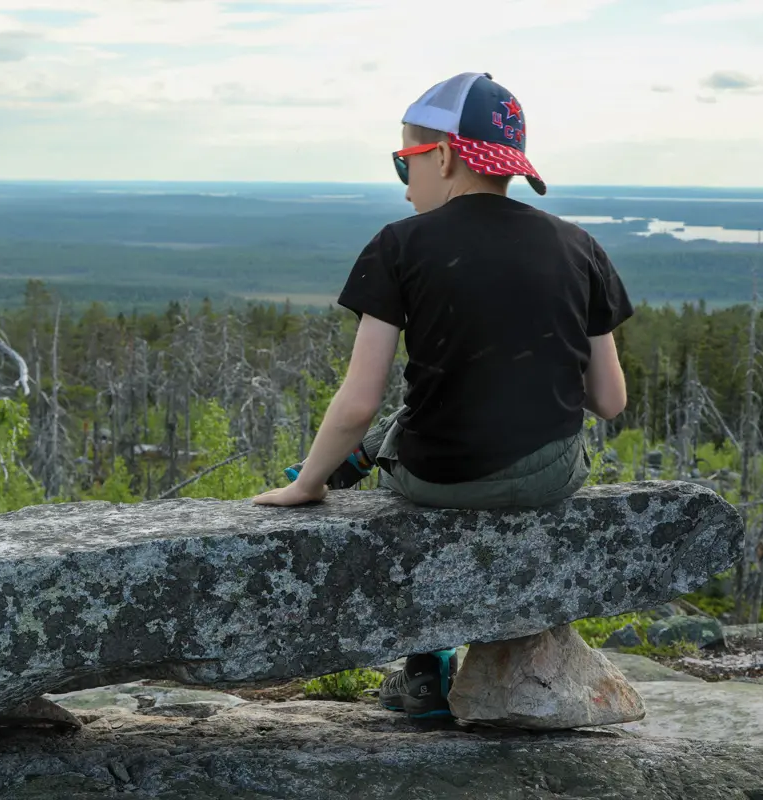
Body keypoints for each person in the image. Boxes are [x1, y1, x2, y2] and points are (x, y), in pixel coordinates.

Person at [251, 72, 634, 719]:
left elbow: (358, 400)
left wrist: (306, 486)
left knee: (405, 423)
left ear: (448, 156)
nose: (404, 181)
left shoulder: (399, 246)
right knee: (442, 411)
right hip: (547, 476)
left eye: (405, 159)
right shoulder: (580, 245)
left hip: (438, 480)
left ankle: (424, 665)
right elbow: (611, 400)